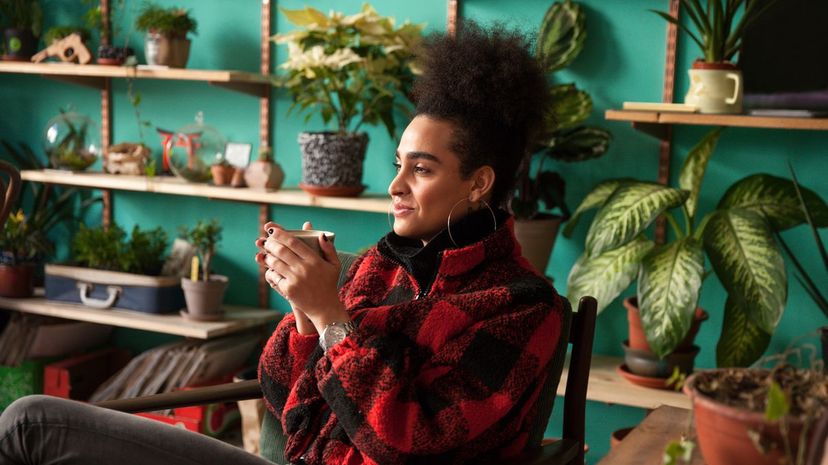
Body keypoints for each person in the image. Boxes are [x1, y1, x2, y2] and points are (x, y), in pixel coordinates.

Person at [0, 22, 563, 465]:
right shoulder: (378, 267)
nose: (395, 186)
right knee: (28, 420)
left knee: (30, 424)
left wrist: (331, 317)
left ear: (479, 182)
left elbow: (409, 440)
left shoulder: (521, 306)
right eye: (399, 164)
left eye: (421, 169)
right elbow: (279, 392)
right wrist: (302, 312)